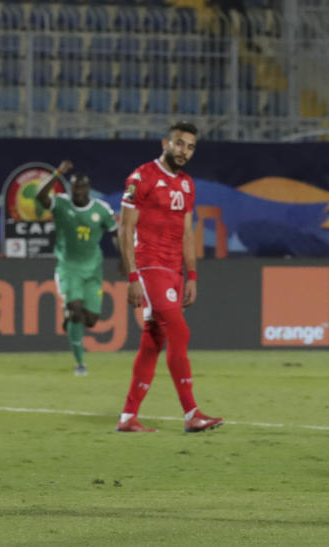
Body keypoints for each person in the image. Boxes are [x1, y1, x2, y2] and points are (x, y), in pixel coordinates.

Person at [116, 122, 224, 434]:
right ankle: (192, 413)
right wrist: (132, 276)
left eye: (190, 147)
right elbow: (125, 229)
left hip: (174, 270)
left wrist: (191, 275)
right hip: (149, 267)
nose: (184, 151)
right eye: (179, 144)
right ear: (166, 143)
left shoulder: (188, 184)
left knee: (153, 340)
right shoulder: (142, 178)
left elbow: (187, 232)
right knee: (179, 332)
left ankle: (127, 417)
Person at [36, 161, 119, 376]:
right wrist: (57, 174)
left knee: (90, 320)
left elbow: (115, 233)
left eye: (83, 187)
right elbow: (39, 196)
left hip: (92, 271)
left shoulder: (101, 210)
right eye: (75, 187)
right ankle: (80, 363)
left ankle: (70, 316)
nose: (79, 191)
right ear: (70, 188)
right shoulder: (61, 204)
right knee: (75, 312)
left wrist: (124, 259)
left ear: (88, 188)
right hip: (68, 268)